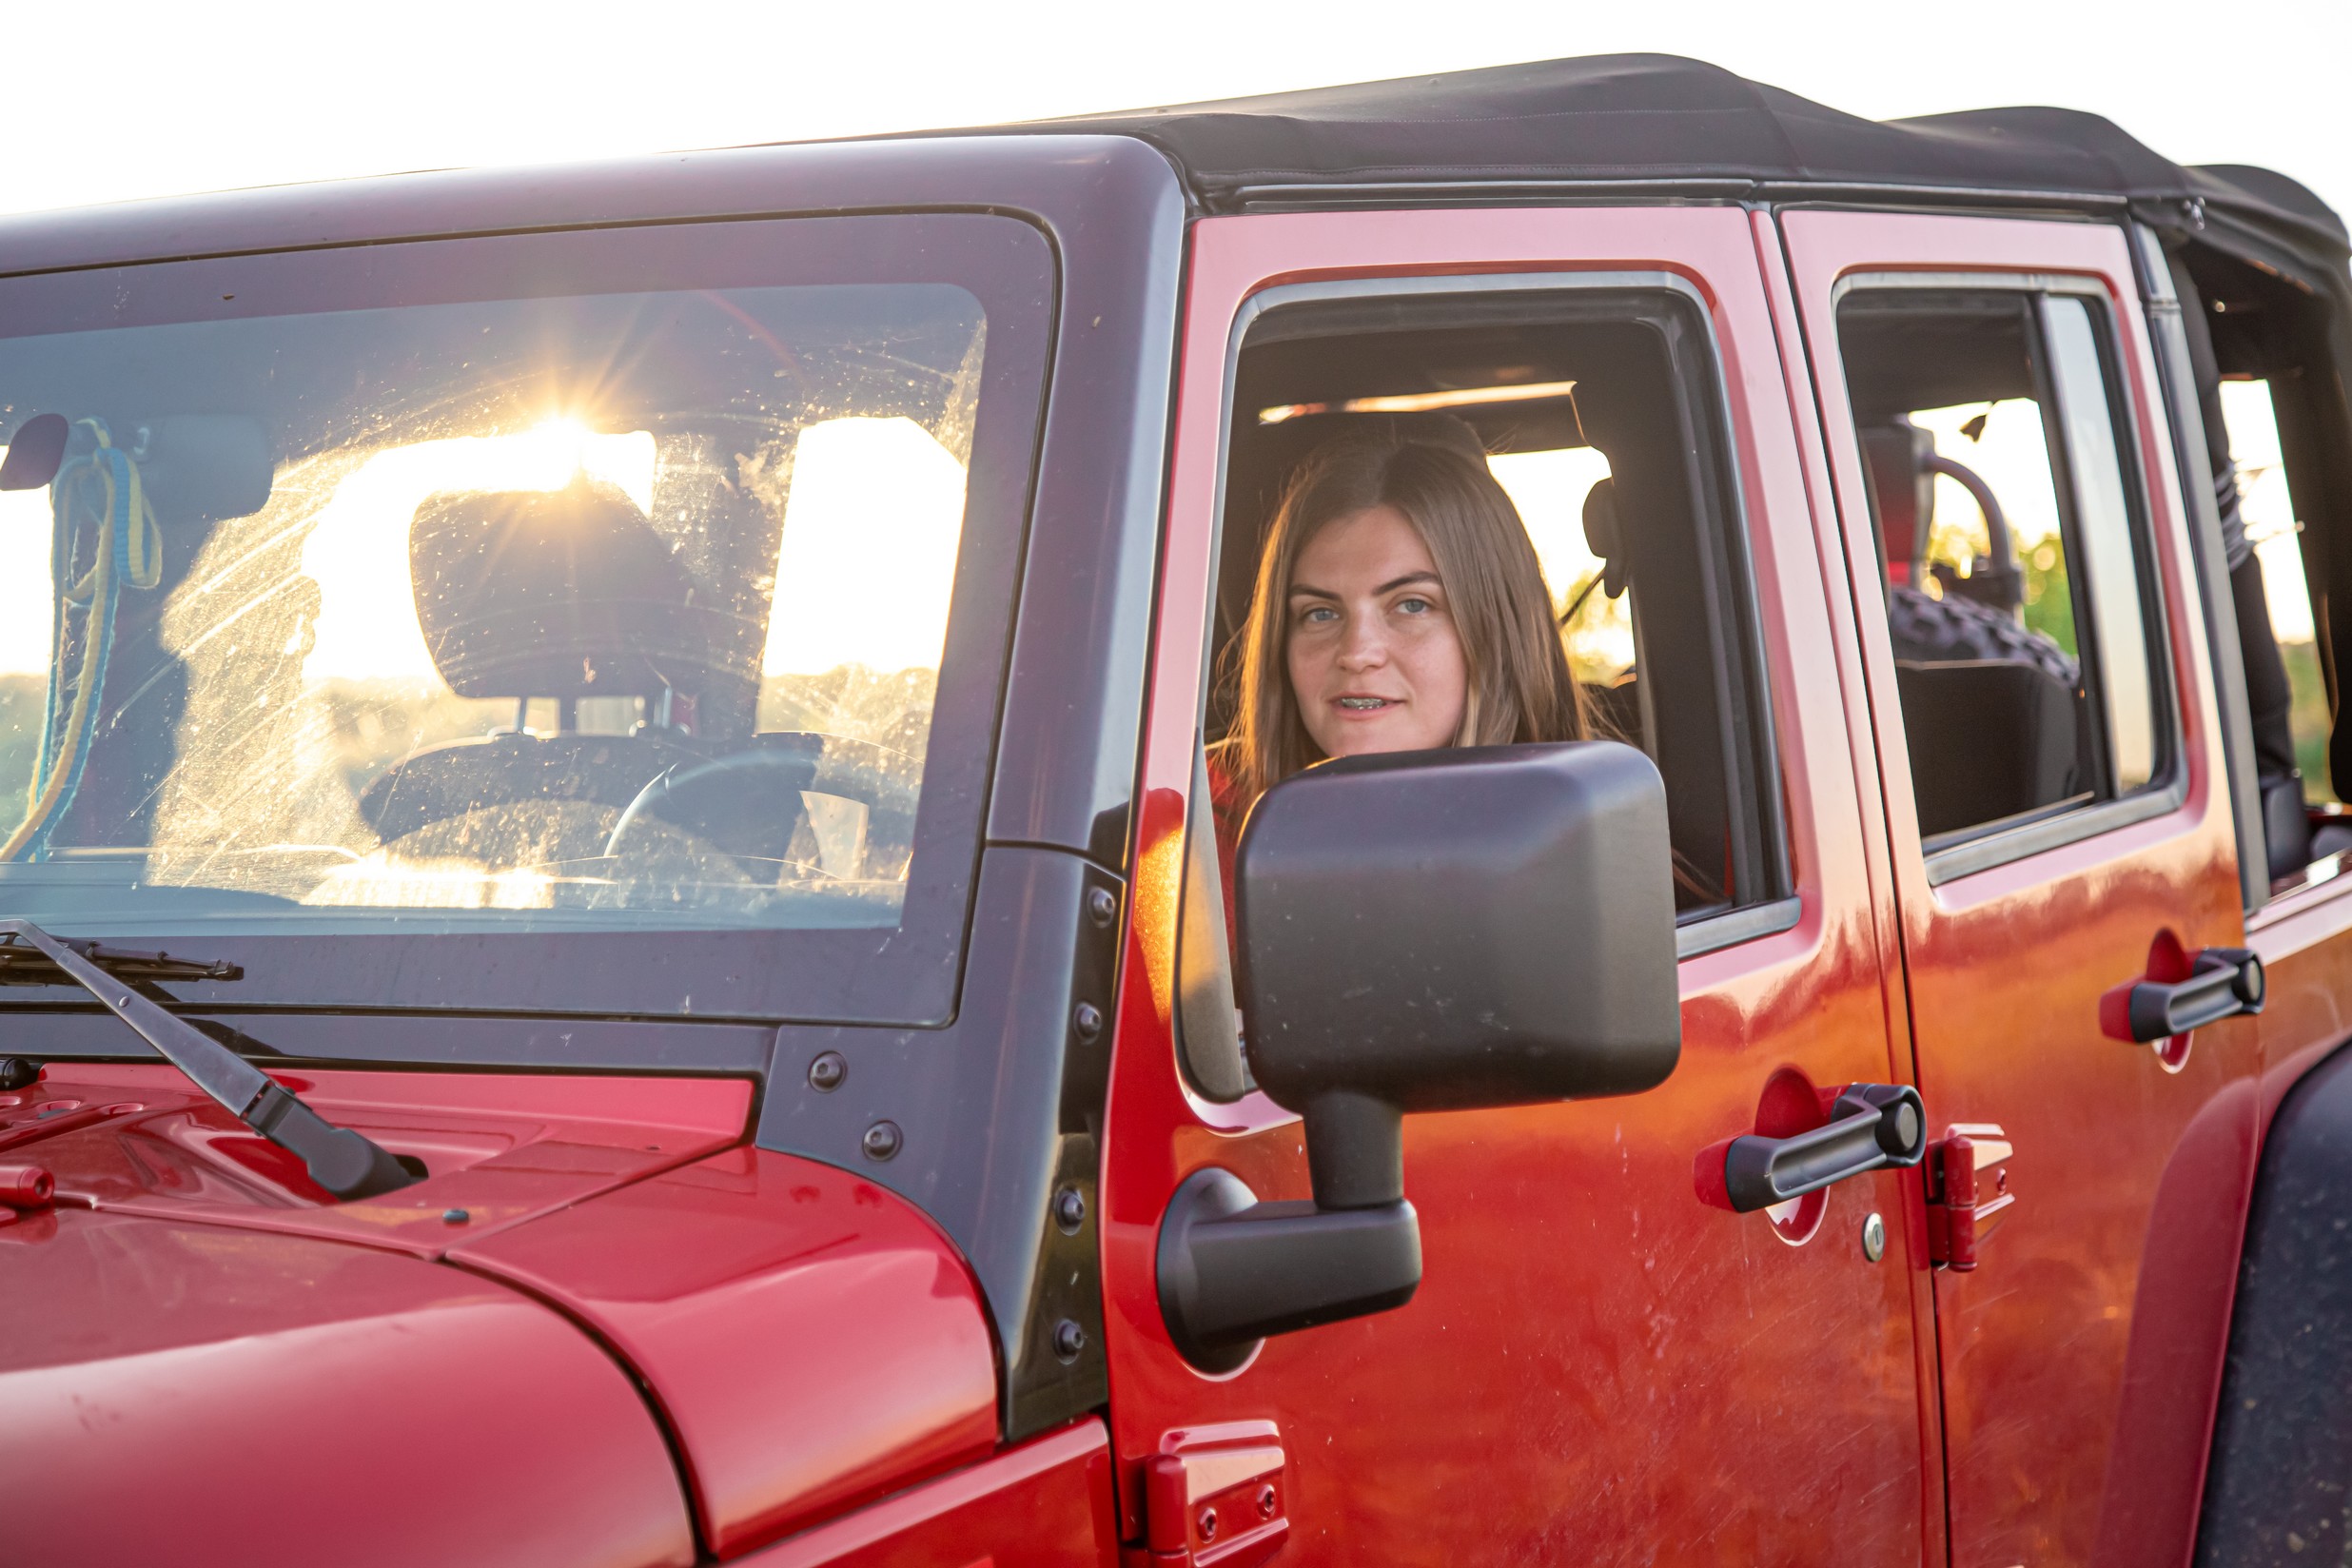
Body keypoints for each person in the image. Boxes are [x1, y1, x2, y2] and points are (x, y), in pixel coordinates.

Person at [1208, 431, 1590, 882]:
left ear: (1498, 633)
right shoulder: (1197, 829)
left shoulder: (1598, 845)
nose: (1356, 653)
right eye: (1321, 613)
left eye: (1412, 605)